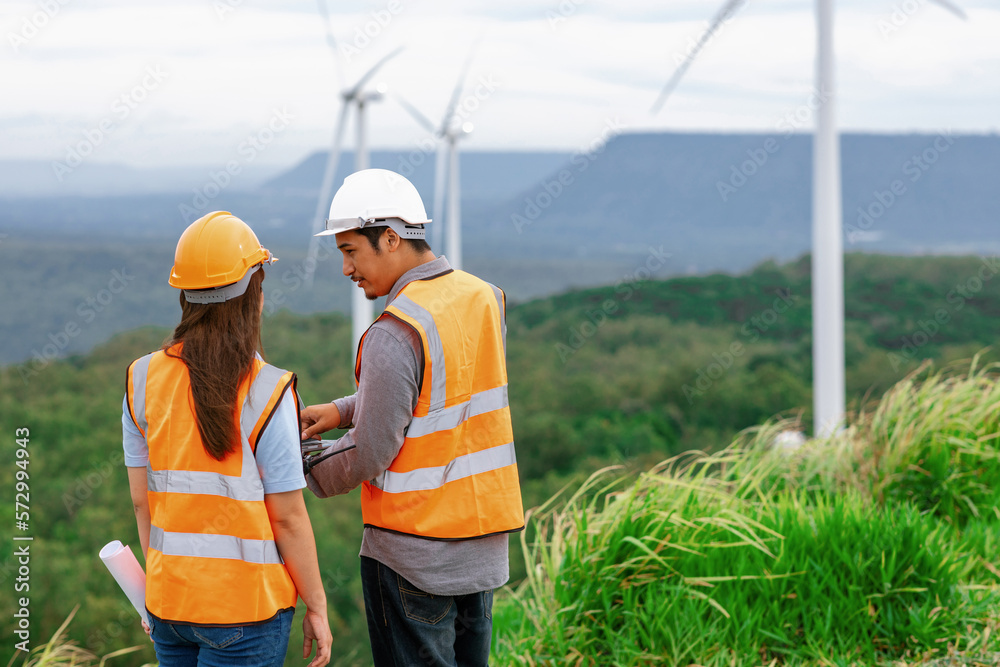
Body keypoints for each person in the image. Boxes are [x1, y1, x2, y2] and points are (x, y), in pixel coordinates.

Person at [300, 168, 524, 667]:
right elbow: (437, 394)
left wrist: (297, 461)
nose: (345, 269)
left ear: (391, 237)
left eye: (350, 251)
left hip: (412, 559)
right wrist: (341, 410)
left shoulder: (393, 330)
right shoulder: (484, 297)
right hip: (480, 549)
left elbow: (372, 449)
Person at [121, 211, 332, 667]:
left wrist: (157, 583)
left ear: (185, 295)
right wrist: (317, 604)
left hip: (169, 605)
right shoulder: (269, 390)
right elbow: (289, 519)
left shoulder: (140, 379)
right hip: (247, 612)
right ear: (253, 292)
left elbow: (143, 503)